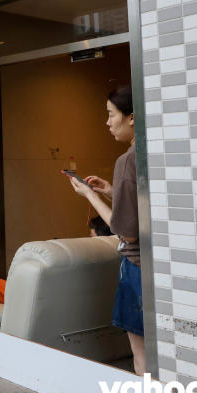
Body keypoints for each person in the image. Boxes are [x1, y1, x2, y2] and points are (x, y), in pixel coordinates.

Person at [68, 85, 145, 376]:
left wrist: (91, 196)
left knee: (142, 355)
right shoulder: (155, 154)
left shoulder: (127, 160)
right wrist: (113, 191)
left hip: (137, 269)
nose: (107, 122)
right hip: (164, 268)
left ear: (132, 117)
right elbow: (146, 210)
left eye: (111, 114)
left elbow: (127, 232)